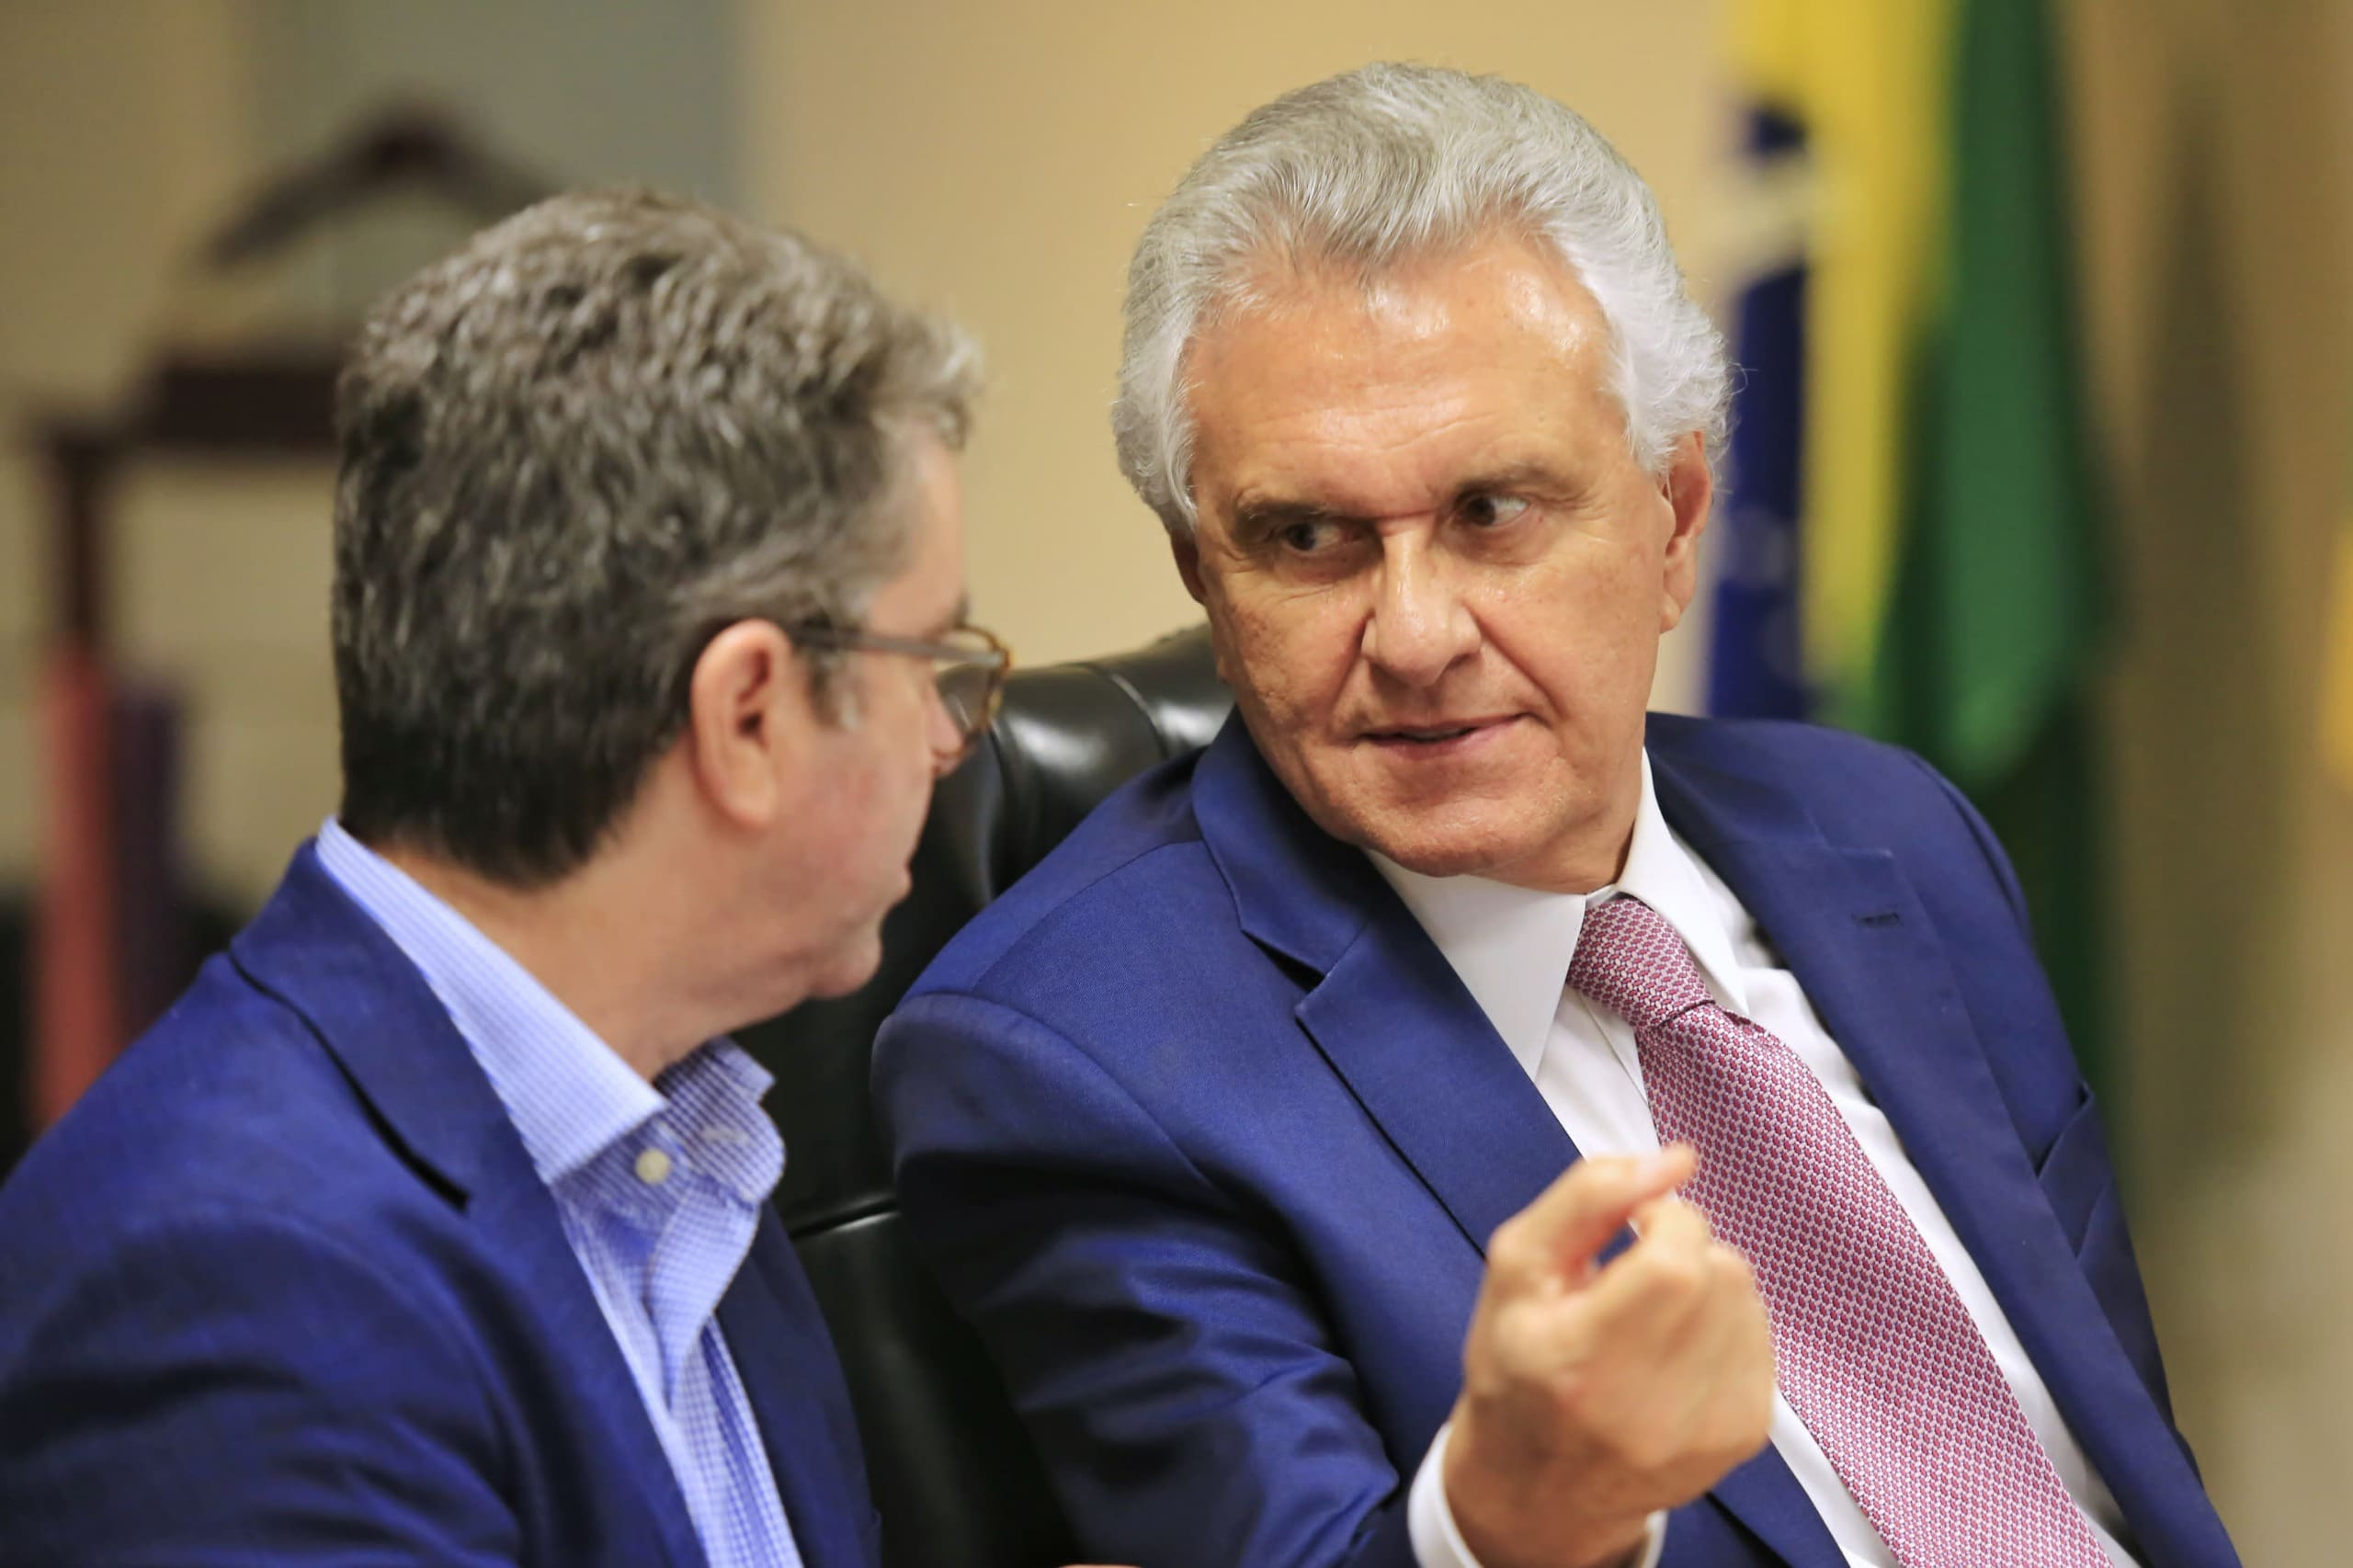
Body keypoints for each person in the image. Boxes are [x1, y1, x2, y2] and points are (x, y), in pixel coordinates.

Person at [874, 65, 2242, 1568]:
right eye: (1309, 536)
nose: (1414, 636)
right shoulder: (1071, 1061)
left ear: (1677, 514)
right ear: (1203, 571)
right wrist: (1508, 1520)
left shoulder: (1896, 837)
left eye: (1491, 512)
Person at [0, 188, 1007, 1566]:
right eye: (932, 661)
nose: (953, 734)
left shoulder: (685, 1137)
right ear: (749, 716)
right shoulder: (232, 1282)